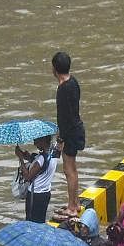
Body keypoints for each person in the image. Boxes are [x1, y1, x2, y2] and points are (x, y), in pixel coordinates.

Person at [52, 51, 85, 214]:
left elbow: (65, 116)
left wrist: (61, 138)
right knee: (72, 168)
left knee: (68, 170)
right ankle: (75, 202)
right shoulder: (73, 82)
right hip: (76, 129)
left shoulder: (63, 89)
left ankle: (72, 207)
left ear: (54, 69)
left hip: (70, 132)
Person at [14, 134, 58, 223]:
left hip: (35, 195)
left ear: (43, 141)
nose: (34, 143)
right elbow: (42, 164)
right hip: (46, 193)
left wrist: (21, 160)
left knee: (30, 221)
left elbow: (28, 177)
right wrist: (26, 156)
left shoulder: (41, 158)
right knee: (40, 220)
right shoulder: (54, 153)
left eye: (36, 141)